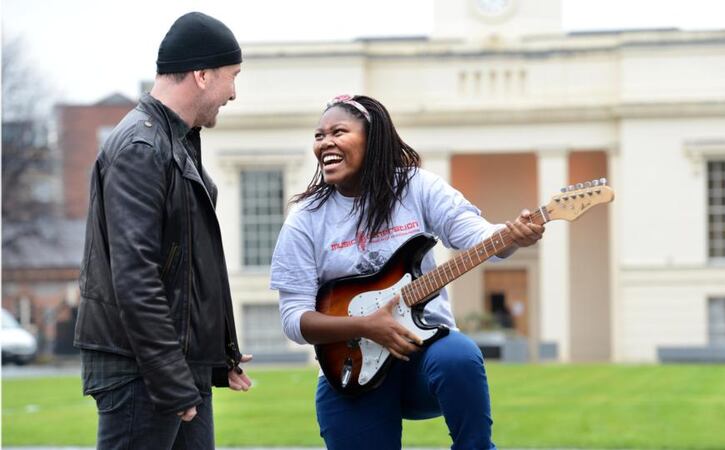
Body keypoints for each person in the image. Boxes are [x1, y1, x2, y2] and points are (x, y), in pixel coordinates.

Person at [270, 94, 545, 450]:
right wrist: (364, 327)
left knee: (459, 356)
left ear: (374, 138)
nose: (326, 143)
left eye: (339, 131)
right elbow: (294, 320)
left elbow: (476, 235)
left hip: (424, 354)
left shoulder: (417, 187)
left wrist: (511, 237)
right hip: (352, 370)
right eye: (319, 136)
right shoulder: (305, 220)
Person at [73, 12, 252, 449]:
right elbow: (136, 278)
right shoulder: (141, 147)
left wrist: (216, 355)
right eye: (233, 76)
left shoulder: (175, 141)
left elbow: (188, 266)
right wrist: (170, 378)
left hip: (171, 365)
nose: (233, 92)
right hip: (142, 372)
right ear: (203, 74)